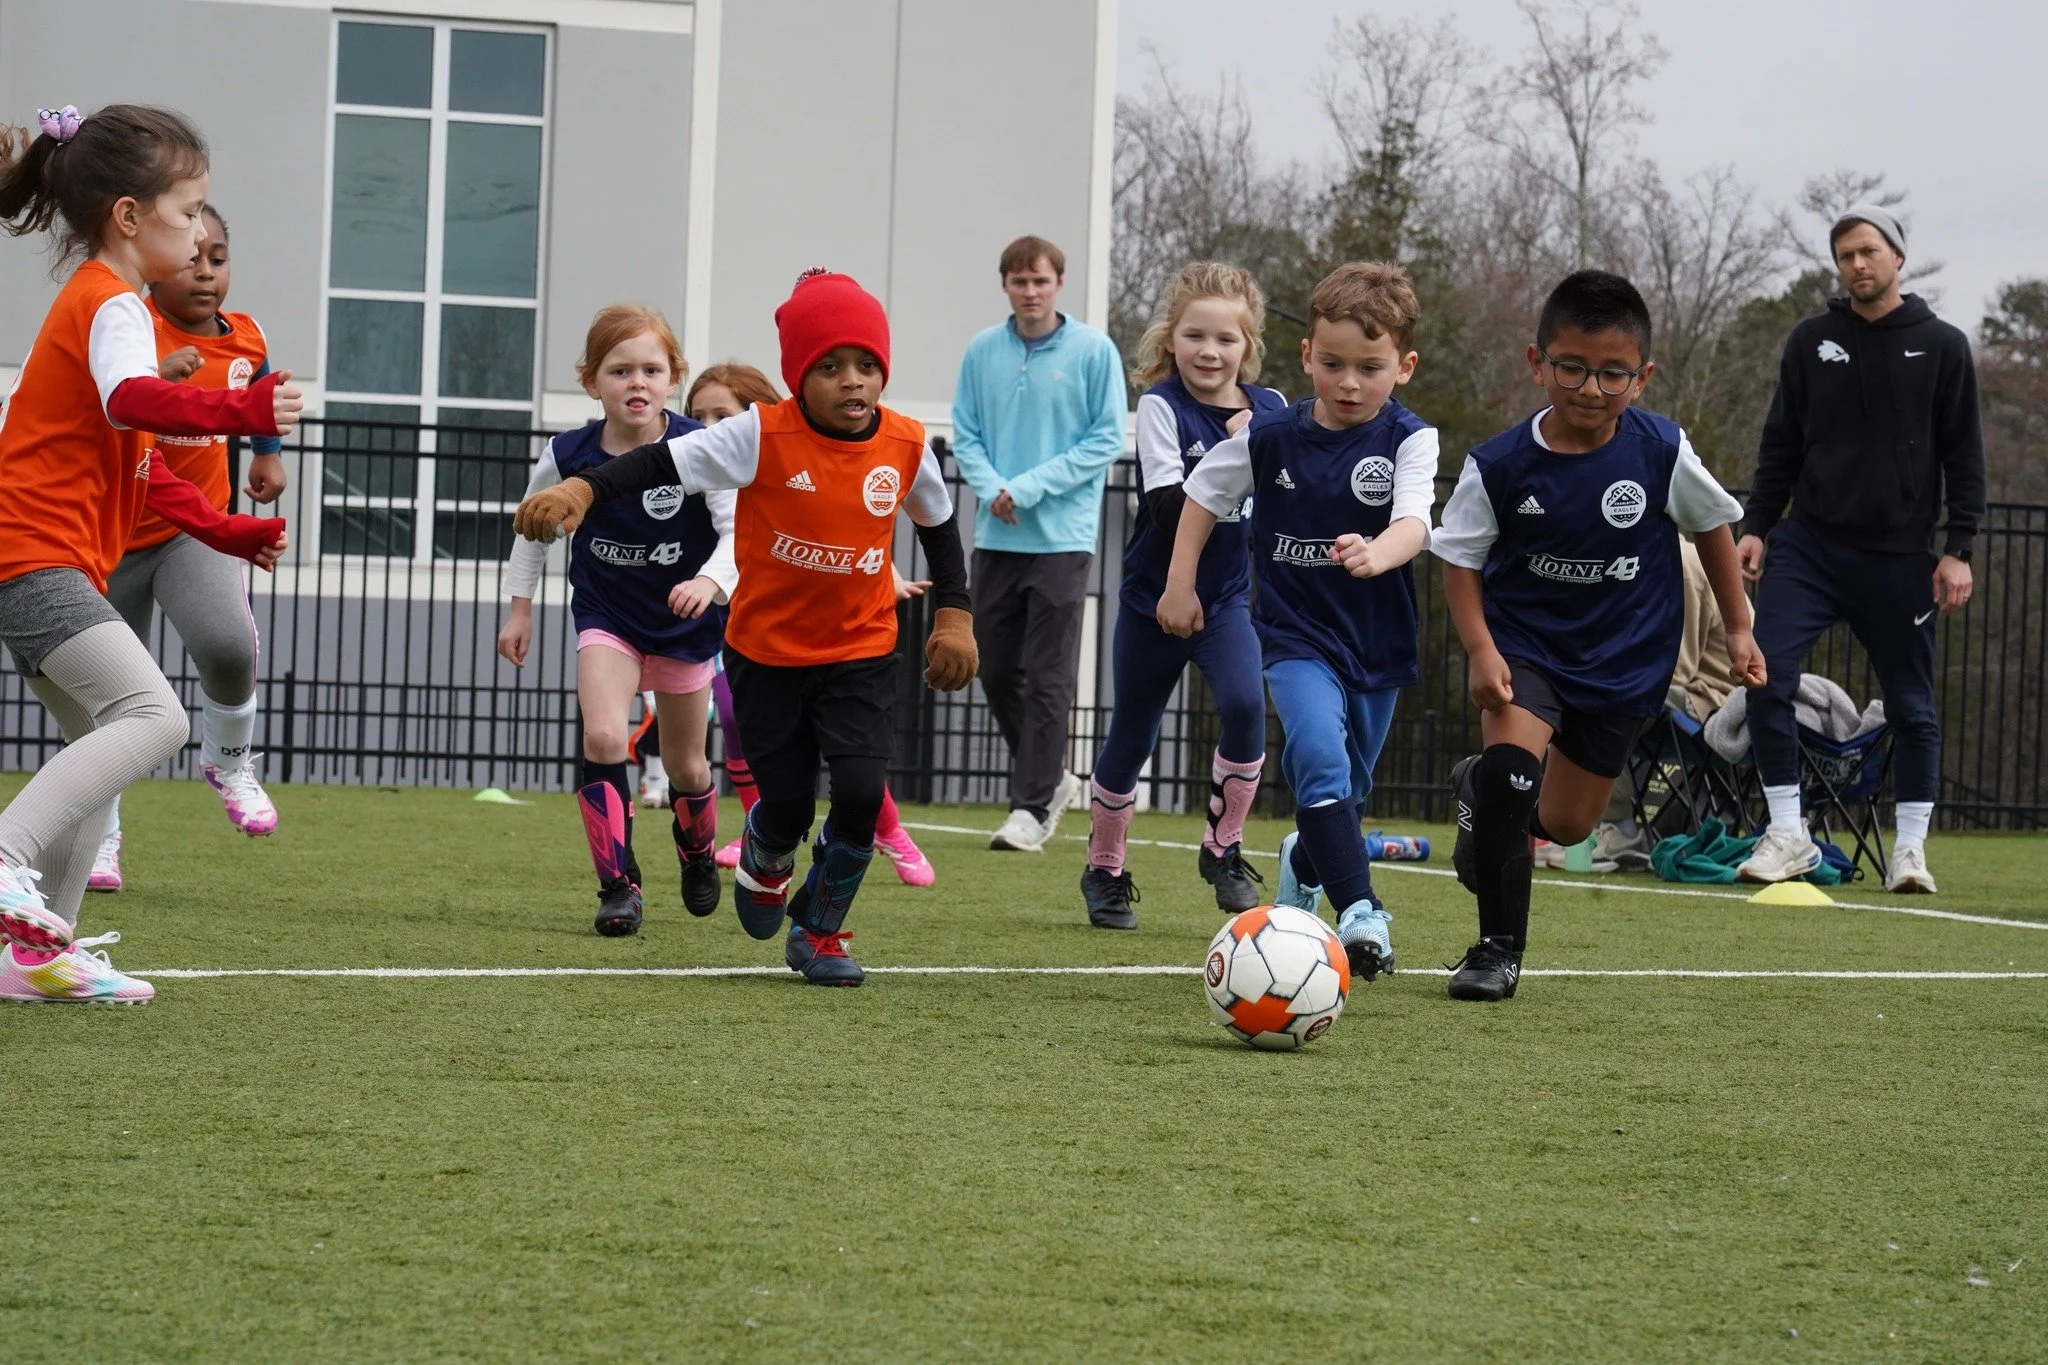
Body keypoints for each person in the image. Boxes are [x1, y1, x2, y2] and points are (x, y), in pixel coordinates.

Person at [513, 270, 977, 986]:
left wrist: (955, 614)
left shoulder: (908, 443)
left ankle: (819, 931)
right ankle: (766, 854)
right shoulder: (758, 435)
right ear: (797, 376)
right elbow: (654, 460)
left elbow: (940, 526)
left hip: (861, 650)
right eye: (830, 367)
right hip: (768, 654)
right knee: (787, 804)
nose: (853, 382)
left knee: (859, 791)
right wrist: (582, 487)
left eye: (867, 365)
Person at [0, 104, 298, 1003]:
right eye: (185, 210)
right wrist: (238, 413)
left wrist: (230, 531)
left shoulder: (105, 300)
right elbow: (135, 401)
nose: (200, 230)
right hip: (35, 556)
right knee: (157, 718)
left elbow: (139, 466)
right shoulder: (111, 300)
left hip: (43, 561)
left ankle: (37, 957)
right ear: (128, 217)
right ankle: (6, 859)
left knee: (100, 739)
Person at [1434, 270, 1758, 1002]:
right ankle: (1496, 951)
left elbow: (1712, 525)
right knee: (1516, 778)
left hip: (1622, 661)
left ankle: (1473, 788)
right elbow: (1459, 557)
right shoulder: (1500, 464)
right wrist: (1483, 651)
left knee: (1568, 822)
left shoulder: (1661, 452)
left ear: (1641, 378)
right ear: (1537, 362)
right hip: (1528, 647)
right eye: (1572, 367)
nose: (1590, 387)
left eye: (1613, 373)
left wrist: (1739, 628)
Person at [1160, 261, 1438, 980]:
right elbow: (1201, 495)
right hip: (1292, 636)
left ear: (1403, 366)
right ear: (1307, 355)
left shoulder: (1411, 439)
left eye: (1370, 367)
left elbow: (1414, 521)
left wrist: (1379, 551)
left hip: (1376, 644)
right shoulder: (1271, 437)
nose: (1350, 382)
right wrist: (1179, 583)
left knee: (1346, 790)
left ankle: (1302, 860)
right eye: (1334, 363)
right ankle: (1361, 914)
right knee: (1317, 755)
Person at [1732, 205, 1985, 895]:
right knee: (1765, 676)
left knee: (1912, 705)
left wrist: (1958, 546)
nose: (1856, 265)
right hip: (1808, 549)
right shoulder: (1811, 341)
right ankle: (1789, 832)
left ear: (1898, 257)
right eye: (1844, 255)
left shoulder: (1943, 345)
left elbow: (1965, 456)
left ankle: (1909, 850)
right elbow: (1780, 442)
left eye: (1868, 251)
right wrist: (1756, 523)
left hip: (1900, 558)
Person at [497, 305, 735, 937]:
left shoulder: (698, 447)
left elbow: (737, 532)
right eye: (619, 369)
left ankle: (697, 851)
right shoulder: (567, 453)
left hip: (685, 626)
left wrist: (709, 581)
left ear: (672, 378)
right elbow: (532, 529)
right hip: (609, 618)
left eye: (651, 369)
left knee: (687, 767)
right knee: (604, 738)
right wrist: (519, 610)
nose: (637, 382)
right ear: (591, 381)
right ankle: (618, 887)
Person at [87, 203, 286, 893]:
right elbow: (114, 396)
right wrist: (156, 382)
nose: (205, 270)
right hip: (111, 530)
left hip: (188, 528)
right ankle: (99, 834)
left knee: (231, 645)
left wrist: (267, 456)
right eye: (192, 255)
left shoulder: (248, 336)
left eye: (218, 257)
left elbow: (258, 383)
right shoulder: (129, 321)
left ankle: (229, 761)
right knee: (107, 699)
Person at [1080, 262, 1286, 929]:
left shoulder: (1275, 409)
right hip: (1152, 600)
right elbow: (1169, 504)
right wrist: (1233, 457)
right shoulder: (1162, 407)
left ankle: (1222, 851)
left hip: (1226, 601)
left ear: (1247, 348)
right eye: (1195, 335)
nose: (1209, 350)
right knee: (1132, 736)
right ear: (1171, 339)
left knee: (1246, 705)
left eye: (1226, 339)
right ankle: (1104, 869)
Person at [685, 363, 936, 888]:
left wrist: (887, 573)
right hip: (741, 632)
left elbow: (845, 523)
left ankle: (886, 828)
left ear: (754, 417)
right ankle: (767, 833)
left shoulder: (771, 458)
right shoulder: (704, 469)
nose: (707, 427)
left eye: (720, 415)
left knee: (850, 753)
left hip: (820, 639)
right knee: (738, 722)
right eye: (696, 415)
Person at [951, 235, 1125, 852]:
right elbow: (965, 432)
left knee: (1050, 674)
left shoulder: (1092, 350)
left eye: (1040, 281)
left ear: (1058, 284)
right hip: (997, 534)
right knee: (996, 669)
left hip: (1063, 538)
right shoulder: (981, 351)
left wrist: (1025, 488)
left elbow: (1105, 437)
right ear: (1005, 285)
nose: (1030, 291)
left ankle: (1030, 808)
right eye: (1019, 281)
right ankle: (1052, 778)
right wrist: (995, 487)